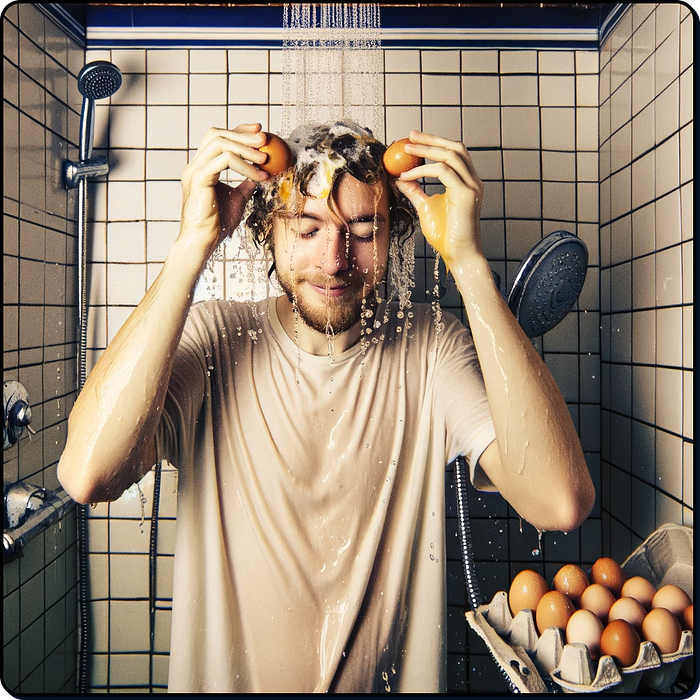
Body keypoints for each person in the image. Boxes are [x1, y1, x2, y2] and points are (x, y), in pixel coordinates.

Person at [58, 120, 595, 693]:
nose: (335, 260)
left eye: (364, 230)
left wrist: (466, 260)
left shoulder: (431, 347)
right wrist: (192, 246)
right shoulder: (215, 341)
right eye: (307, 228)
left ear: (395, 236)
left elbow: (560, 502)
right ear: (267, 229)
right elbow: (87, 473)